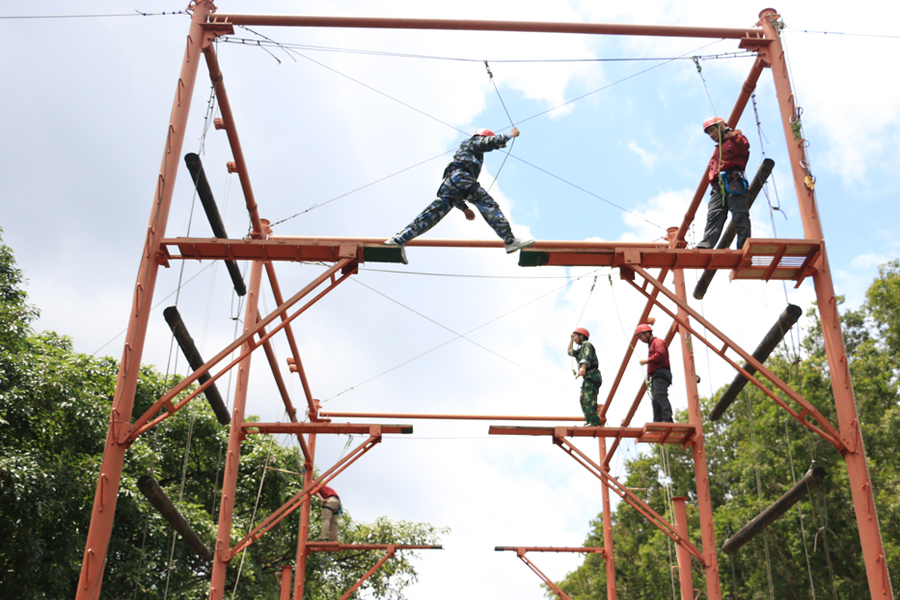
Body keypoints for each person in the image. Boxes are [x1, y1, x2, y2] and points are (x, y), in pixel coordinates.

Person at [385, 127, 534, 264]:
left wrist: (464, 208)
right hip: (463, 179)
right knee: (488, 205)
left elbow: (458, 191)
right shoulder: (473, 141)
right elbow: (487, 143)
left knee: (431, 215)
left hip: (451, 183)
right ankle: (510, 241)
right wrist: (509, 136)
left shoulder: (465, 149)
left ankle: (398, 240)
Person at [695, 117, 752, 250]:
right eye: (709, 133)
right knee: (714, 216)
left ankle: (743, 247)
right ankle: (705, 246)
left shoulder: (736, 139)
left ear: (720, 127)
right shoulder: (718, 150)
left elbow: (743, 146)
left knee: (739, 214)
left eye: (712, 130)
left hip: (734, 181)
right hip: (718, 186)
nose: (711, 135)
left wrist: (726, 130)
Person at [636, 324, 673, 423]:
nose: (640, 339)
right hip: (655, 375)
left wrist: (647, 361)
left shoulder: (658, 342)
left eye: (640, 336)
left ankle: (667, 418)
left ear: (647, 333)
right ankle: (658, 421)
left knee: (660, 396)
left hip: (661, 373)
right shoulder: (652, 345)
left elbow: (660, 354)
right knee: (655, 400)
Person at [568, 327, 602, 426]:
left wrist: (583, 368)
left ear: (581, 336)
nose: (574, 339)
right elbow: (570, 352)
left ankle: (595, 422)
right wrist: (571, 339)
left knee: (589, 399)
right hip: (588, 378)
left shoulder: (587, 345)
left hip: (593, 375)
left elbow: (588, 357)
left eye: (575, 337)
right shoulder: (580, 350)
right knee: (583, 399)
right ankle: (590, 420)